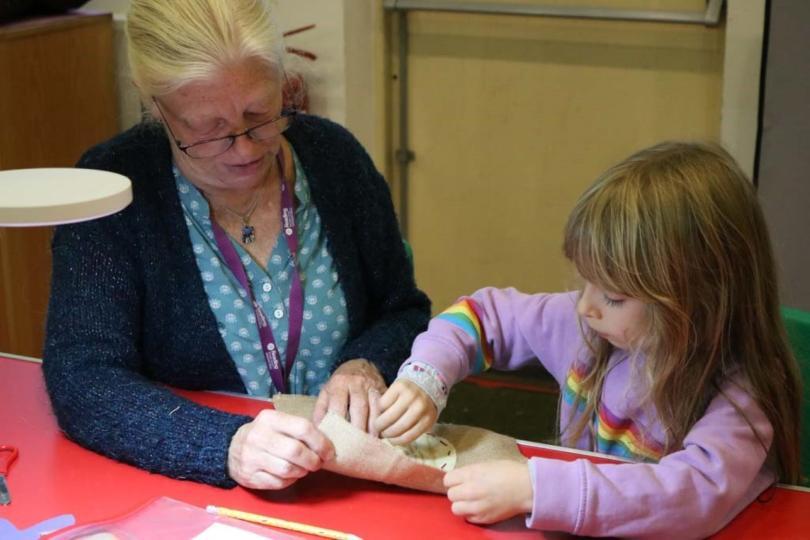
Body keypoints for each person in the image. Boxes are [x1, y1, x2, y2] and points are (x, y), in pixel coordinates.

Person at [42, 0, 430, 491]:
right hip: (194, 493)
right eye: (208, 130)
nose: (245, 148)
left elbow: (403, 310)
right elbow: (83, 376)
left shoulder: (334, 158)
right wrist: (226, 444)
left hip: (351, 479)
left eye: (260, 115)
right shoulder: (113, 187)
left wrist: (366, 363)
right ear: (156, 106)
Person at [373, 142, 802, 538]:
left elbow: (693, 496)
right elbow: (481, 316)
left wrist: (537, 490)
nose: (585, 307)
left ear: (700, 299)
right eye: (585, 282)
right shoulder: (585, 325)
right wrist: (427, 377)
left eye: (613, 296)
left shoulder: (742, 392)